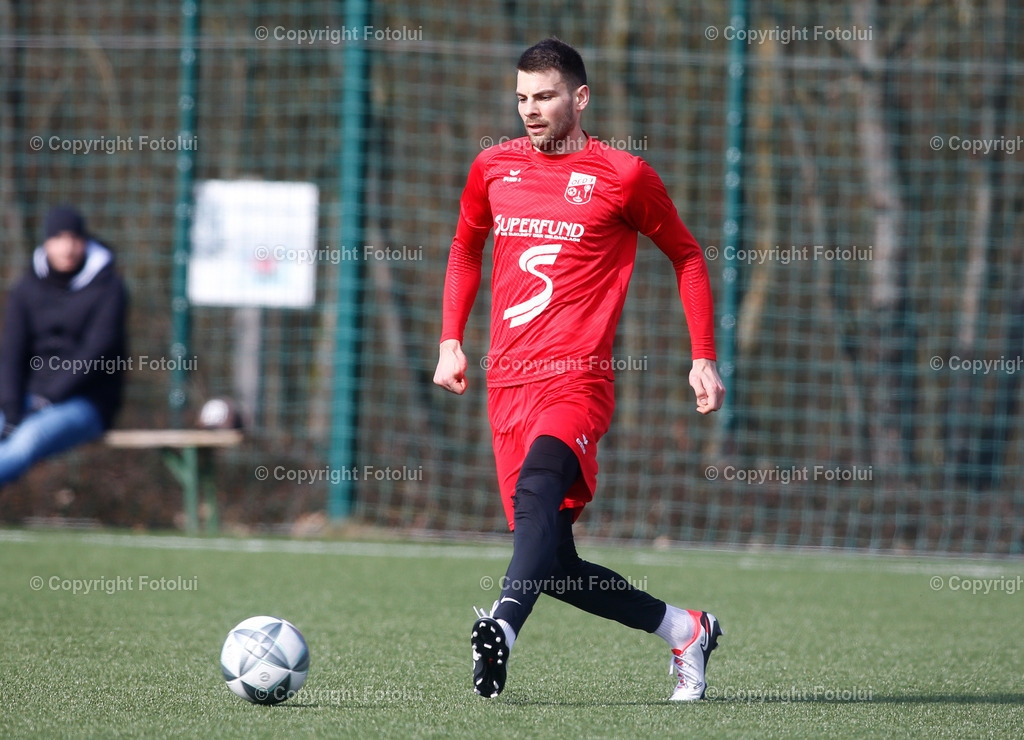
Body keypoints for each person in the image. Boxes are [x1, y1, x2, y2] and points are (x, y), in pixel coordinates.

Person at [434, 38, 726, 701]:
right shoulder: (492, 168)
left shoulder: (623, 176)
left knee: (540, 493)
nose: (530, 110)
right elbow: (463, 246)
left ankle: (502, 628)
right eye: (521, 98)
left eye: (544, 96)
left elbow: (685, 255)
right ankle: (686, 629)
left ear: (580, 98)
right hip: (505, 385)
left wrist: (702, 355)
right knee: (555, 563)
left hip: (577, 381)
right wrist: (451, 340)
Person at [0, 206, 128, 486]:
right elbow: (11, 354)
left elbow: (96, 353)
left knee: (28, 440)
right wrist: (10, 408)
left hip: (86, 403)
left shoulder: (109, 288)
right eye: (59, 239)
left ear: (85, 241)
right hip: (27, 400)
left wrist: (47, 398)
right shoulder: (26, 287)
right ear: (47, 242)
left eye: (74, 238)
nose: (67, 248)